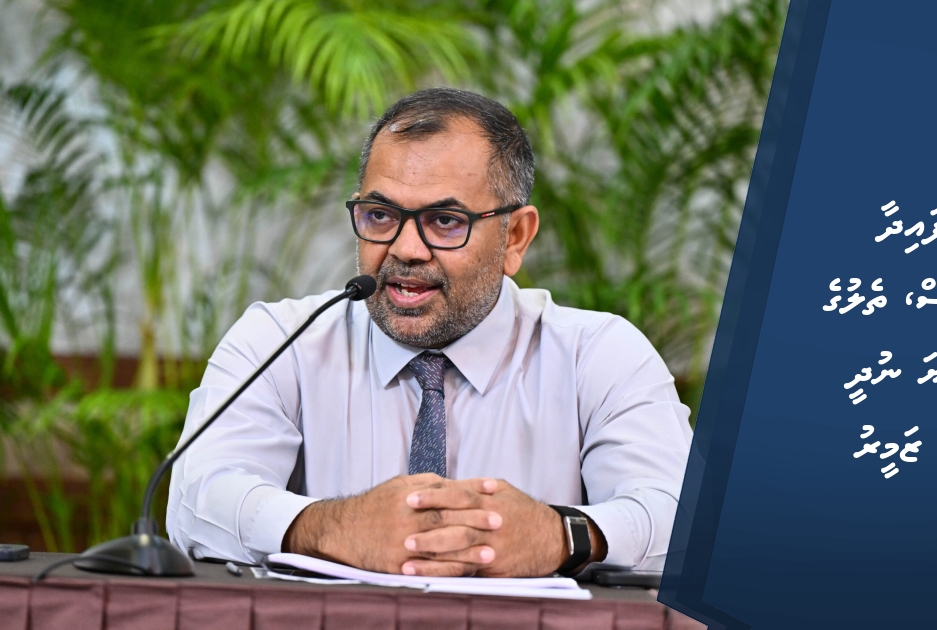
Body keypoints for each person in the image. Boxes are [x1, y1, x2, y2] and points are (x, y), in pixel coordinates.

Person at [166, 88, 693, 578]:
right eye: (380, 215)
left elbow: (685, 522)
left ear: (515, 237)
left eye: (445, 221)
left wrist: (560, 535)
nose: (406, 249)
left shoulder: (598, 354)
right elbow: (196, 503)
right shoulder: (282, 341)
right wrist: (331, 527)